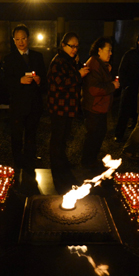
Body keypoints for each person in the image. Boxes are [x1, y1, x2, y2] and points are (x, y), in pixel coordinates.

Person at [47, 32, 90, 191]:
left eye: (77, 46)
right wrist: (79, 74)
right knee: (57, 137)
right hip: (59, 106)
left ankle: (62, 162)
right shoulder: (58, 61)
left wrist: (79, 69)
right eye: (71, 46)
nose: (74, 49)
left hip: (68, 106)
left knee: (64, 136)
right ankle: (56, 167)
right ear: (63, 45)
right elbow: (61, 83)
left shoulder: (70, 61)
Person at [3, 24, 47, 170]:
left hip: (34, 103)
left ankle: (30, 157)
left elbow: (45, 79)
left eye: (23, 38)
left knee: (32, 133)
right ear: (14, 40)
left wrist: (40, 80)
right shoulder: (9, 59)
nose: (21, 42)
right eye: (17, 39)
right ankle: (17, 160)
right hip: (18, 104)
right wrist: (19, 80)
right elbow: (4, 81)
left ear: (28, 39)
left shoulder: (37, 56)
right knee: (16, 134)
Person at [81, 37, 120, 170]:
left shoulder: (99, 64)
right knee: (94, 135)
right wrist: (112, 85)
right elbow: (94, 88)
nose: (110, 53)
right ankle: (87, 162)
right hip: (94, 107)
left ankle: (90, 159)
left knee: (98, 134)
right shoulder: (94, 64)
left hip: (99, 107)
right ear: (99, 50)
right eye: (108, 50)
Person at [114, 31, 139, 142]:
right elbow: (122, 71)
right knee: (124, 112)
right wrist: (125, 85)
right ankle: (119, 134)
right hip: (130, 88)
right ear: (138, 41)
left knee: (138, 111)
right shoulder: (130, 54)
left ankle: (136, 135)